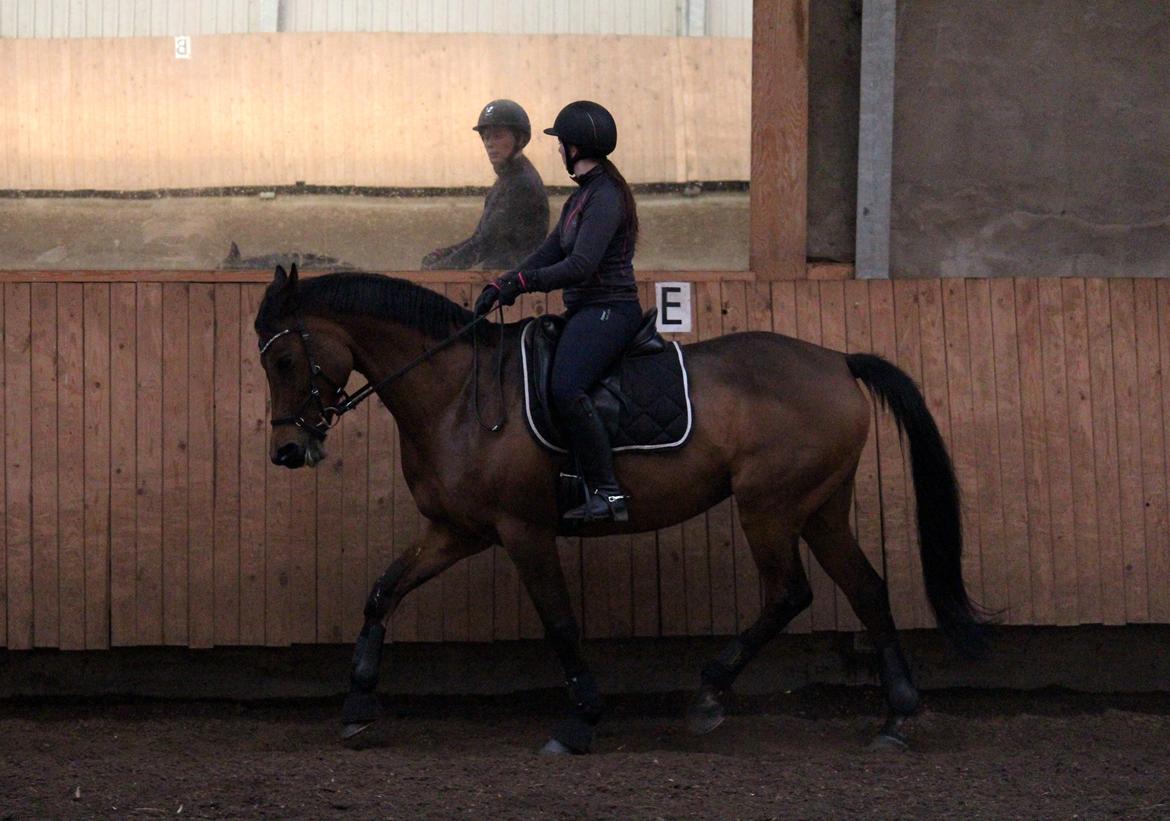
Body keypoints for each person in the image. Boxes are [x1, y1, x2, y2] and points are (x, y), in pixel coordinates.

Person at [474, 100, 642, 524]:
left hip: (610, 310)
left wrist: (525, 284)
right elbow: (548, 251)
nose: (558, 150)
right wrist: (505, 282)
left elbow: (581, 265)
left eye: (561, 143)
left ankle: (608, 494)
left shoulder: (605, 197)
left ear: (574, 147)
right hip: (586, 310)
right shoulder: (580, 198)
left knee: (567, 387)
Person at [420, 99, 549, 271]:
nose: (489, 143)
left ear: (520, 139)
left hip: (513, 285)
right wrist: (443, 254)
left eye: (497, 136)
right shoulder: (508, 179)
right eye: (486, 137)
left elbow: (486, 243)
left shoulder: (521, 185)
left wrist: (440, 268)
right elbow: (480, 237)